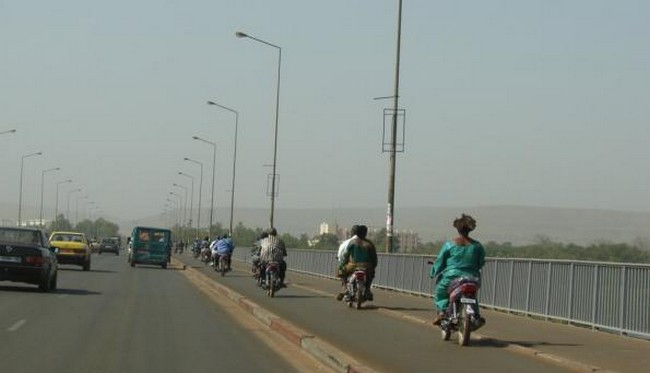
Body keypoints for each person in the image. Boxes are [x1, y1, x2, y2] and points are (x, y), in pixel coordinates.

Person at [430, 214, 486, 326]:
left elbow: (440, 261)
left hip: (451, 277)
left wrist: (433, 272)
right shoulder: (477, 246)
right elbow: (481, 262)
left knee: (440, 291)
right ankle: (476, 316)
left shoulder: (449, 245)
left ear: (457, 229)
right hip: (472, 277)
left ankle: (442, 312)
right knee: (473, 296)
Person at [337, 225, 377, 301]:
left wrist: (343, 265)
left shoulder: (352, 242)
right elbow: (374, 259)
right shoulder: (369, 244)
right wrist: (373, 267)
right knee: (371, 275)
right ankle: (368, 289)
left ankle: (345, 288)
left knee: (340, 271)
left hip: (353, 265)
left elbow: (346, 255)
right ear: (365, 233)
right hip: (367, 266)